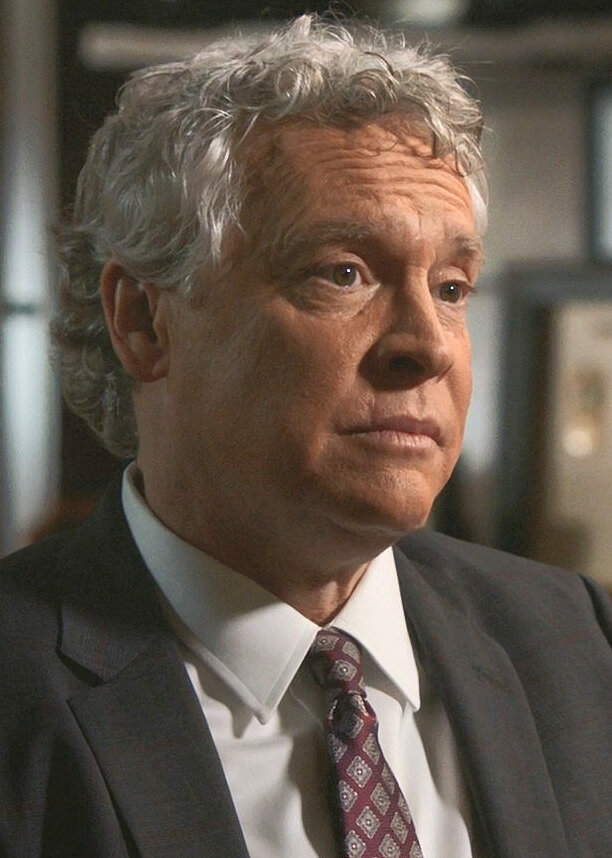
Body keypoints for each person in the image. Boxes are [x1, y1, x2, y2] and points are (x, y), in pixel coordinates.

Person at [0, 14, 610, 858]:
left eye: (452, 286)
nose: (429, 346)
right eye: (343, 273)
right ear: (143, 321)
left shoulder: (579, 642)